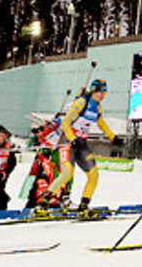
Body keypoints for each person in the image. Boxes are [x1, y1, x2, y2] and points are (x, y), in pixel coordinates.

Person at [39, 80, 116, 214]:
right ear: (93, 91)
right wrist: (72, 138)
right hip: (68, 142)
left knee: (94, 175)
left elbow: (100, 122)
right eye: (100, 92)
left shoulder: (98, 107)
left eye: (104, 92)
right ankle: (43, 203)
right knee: (66, 174)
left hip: (82, 143)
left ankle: (84, 205)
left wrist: (113, 137)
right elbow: (65, 121)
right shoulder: (81, 103)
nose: (102, 95)